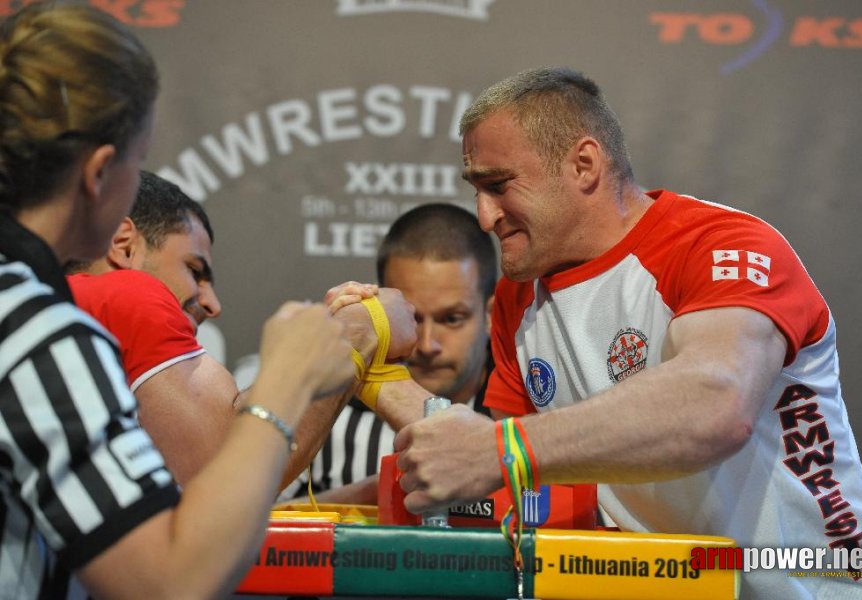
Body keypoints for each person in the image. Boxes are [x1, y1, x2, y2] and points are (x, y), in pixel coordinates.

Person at [378, 67, 862, 598]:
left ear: (583, 164)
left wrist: (503, 448)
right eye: (476, 190)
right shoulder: (520, 296)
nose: (484, 217)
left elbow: (714, 406)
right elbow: (518, 486)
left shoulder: (720, 244)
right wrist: (371, 371)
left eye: (498, 186)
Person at [0, 4, 410, 598]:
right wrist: (298, 375)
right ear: (99, 174)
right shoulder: (42, 332)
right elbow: (176, 575)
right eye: (139, 165)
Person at [66, 171, 370, 489]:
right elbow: (226, 482)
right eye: (195, 271)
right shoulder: (126, 295)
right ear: (123, 245)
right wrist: (359, 331)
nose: (212, 305)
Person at [285, 203, 497, 504]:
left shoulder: (527, 408)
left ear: (490, 314)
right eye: (412, 317)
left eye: (451, 319)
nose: (426, 345)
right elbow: (248, 532)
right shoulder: (329, 413)